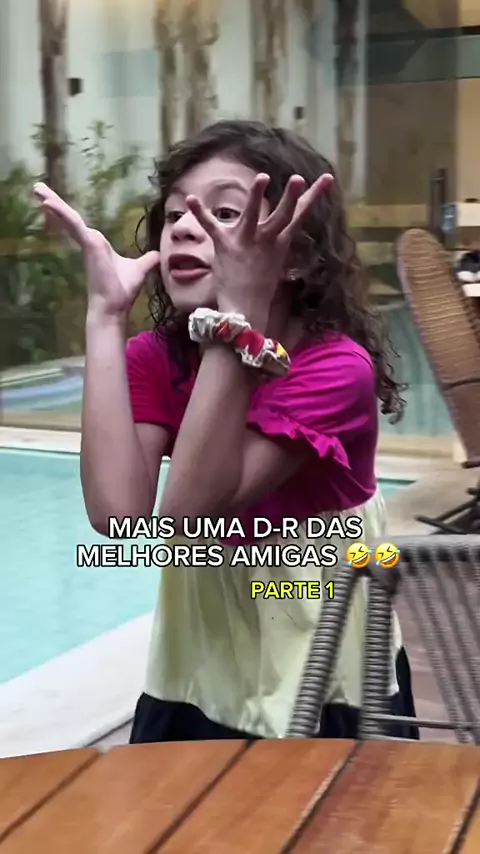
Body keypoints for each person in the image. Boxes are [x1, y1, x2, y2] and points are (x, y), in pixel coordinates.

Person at [33, 119, 418, 742]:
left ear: (294, 257)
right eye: (175, 214)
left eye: (224, 213)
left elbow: (187, 517)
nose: (185, 227)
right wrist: (105, 315)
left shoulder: (334, 369)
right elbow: (119, 520)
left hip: (320, 655)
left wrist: (233, 323)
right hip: (200, 656)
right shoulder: (158, 357)